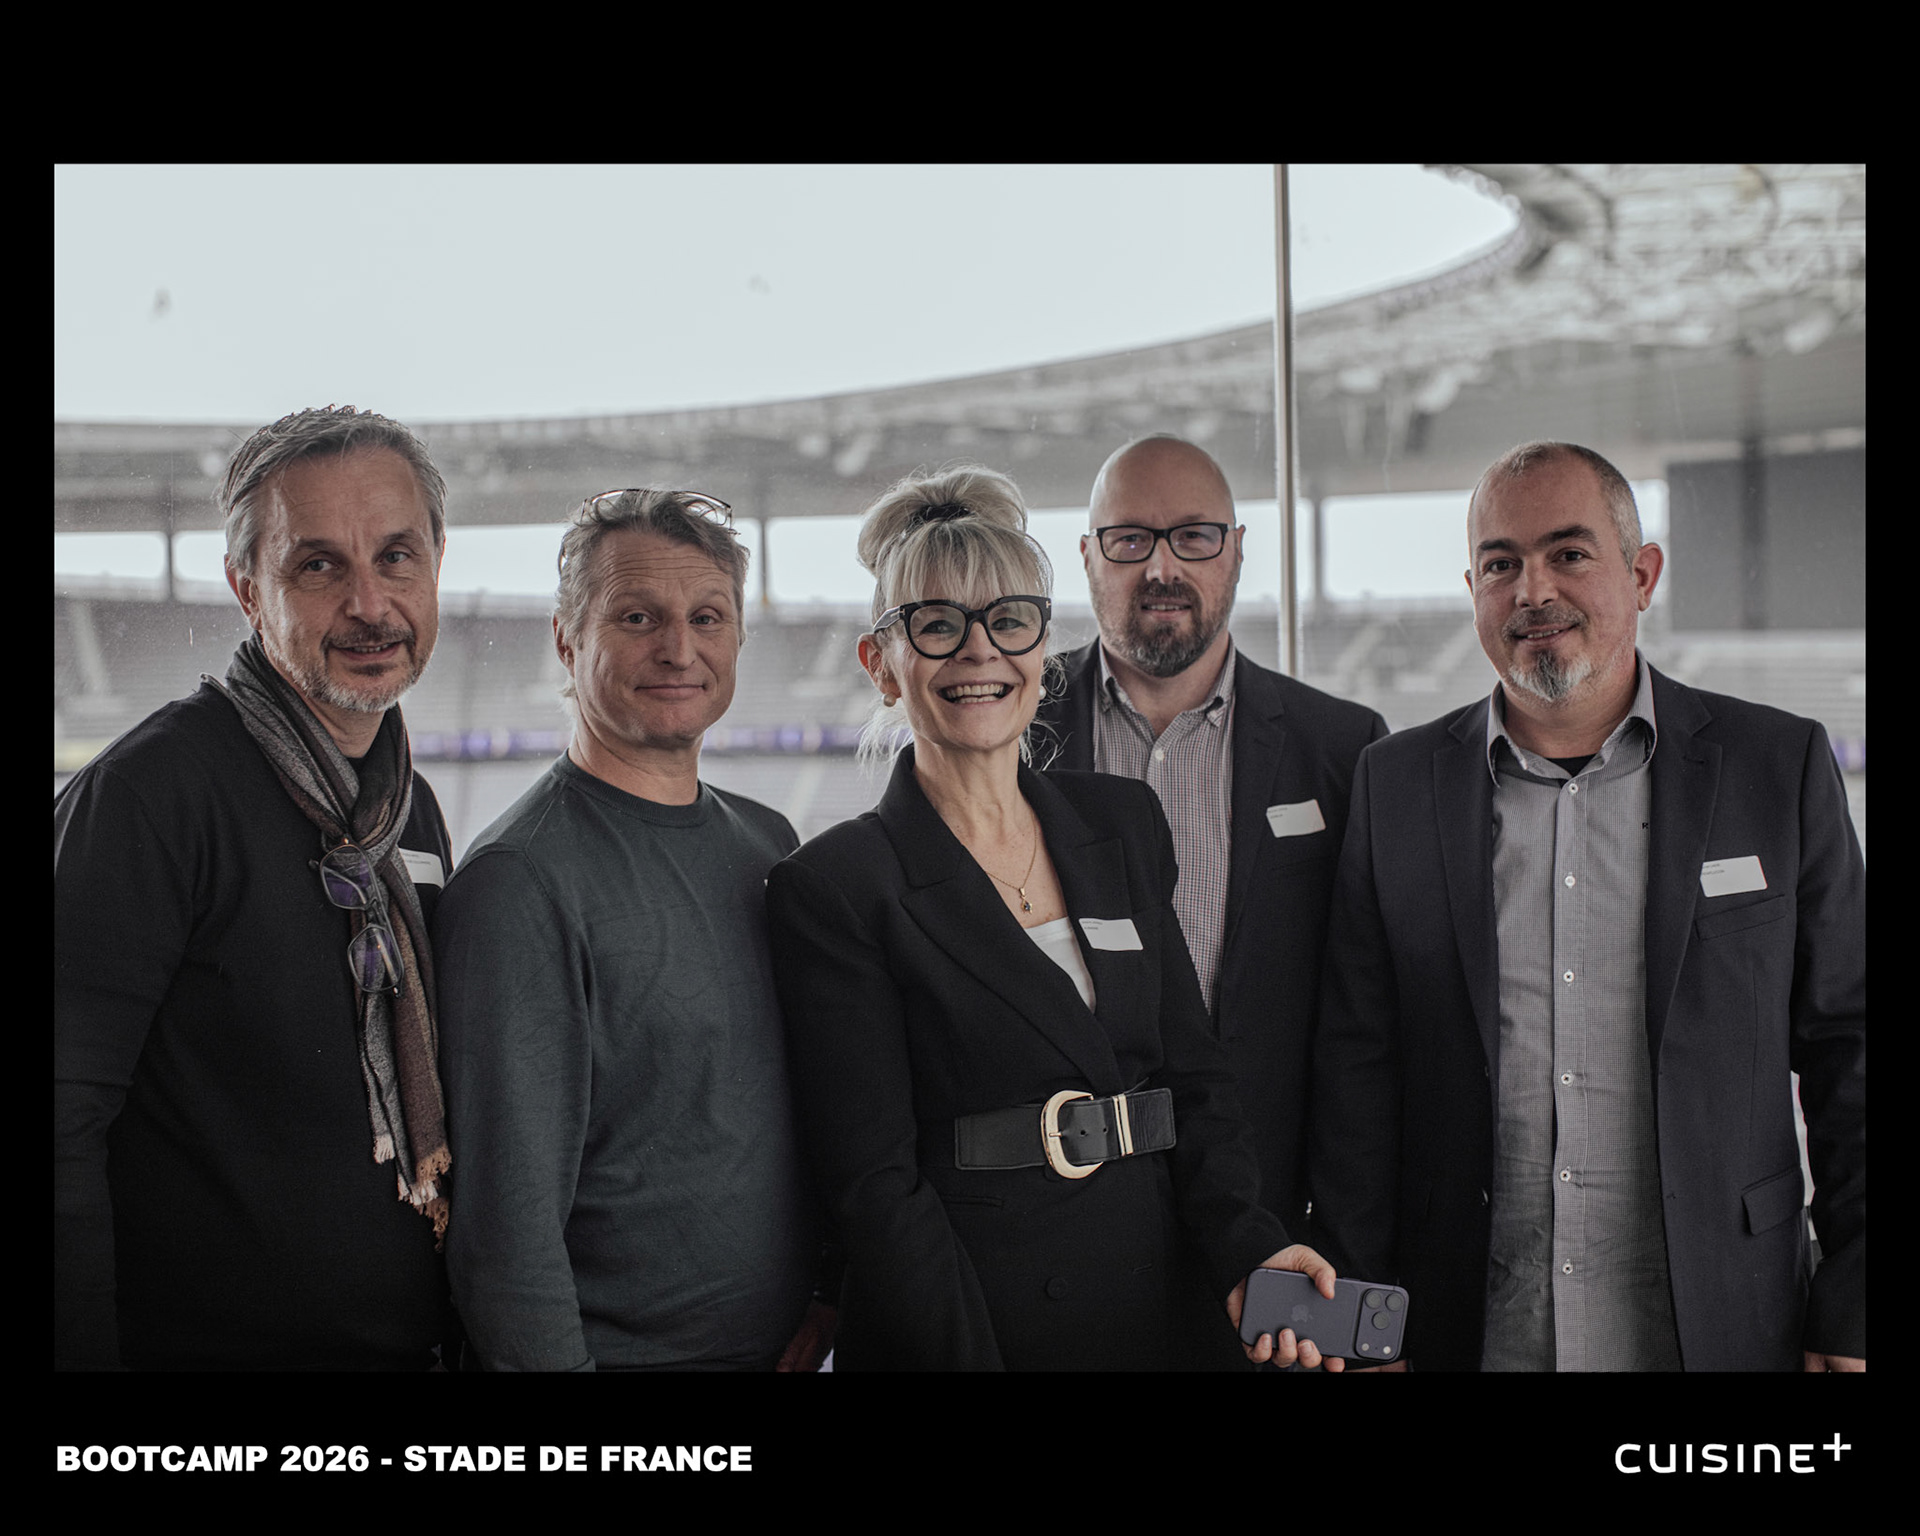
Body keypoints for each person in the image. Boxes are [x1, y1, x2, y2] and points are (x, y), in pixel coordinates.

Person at [765, 465, 1343, 1371]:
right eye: (937, 624)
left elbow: (1192, 1079)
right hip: (980, 1327)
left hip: (1157, 1307)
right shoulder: (837, 886)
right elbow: (878, 1190)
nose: (979, 652)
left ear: (1042, 649)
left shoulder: (1121, 824)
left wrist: (1249, 1250)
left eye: (1009, 620)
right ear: (881, 666)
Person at [1308, 440, 1866, 1372]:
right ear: (1474, 590)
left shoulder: (1777, 767)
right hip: (1465, 1323)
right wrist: (1362, 1315)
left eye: (1568, 553)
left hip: (1729, 1317)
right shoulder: (1395, 784)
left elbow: (1851, 1045)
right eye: (1500, 565)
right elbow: (1356, 1069)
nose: (1533, 591)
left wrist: (1856, 1304)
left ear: (1642, 575)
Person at [55, 405, 457, 1370]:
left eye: (396, 556)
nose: (369, 603)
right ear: (247, 590)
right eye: (318, 565)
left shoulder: (410, 811)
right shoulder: (151, 796)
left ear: (437, 563)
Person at [434, 488, 830, 1372]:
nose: (679, 649)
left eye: (707, 617)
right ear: (567, 640)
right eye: (638, 617)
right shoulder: (519, 884)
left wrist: (823, 1296)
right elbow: (506, 1238)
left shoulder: (771, 844)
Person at [1036, 435, 1387, 1244]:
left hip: (1274, 1207)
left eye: (1194, 537)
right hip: (1065, 1215)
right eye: (1130, 540)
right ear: (1087, 557)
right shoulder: (1015, 731)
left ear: (1236, 550)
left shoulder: (1341, 749)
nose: (1162, 568)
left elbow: (1365, 1029)